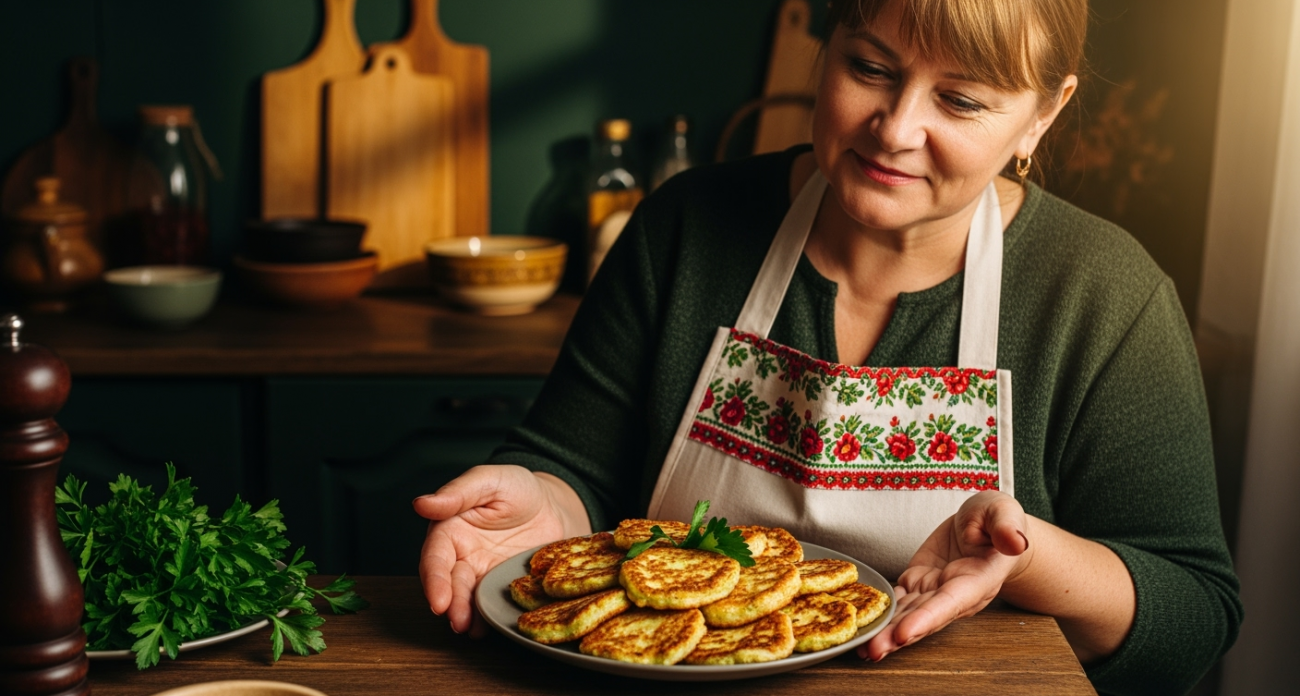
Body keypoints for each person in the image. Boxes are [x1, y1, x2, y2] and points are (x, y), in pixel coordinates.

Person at [413, 0, 1242, 693]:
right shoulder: (689, 227)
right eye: (872, 69)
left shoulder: (1104, 294)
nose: (895, 128)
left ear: (1044, 113)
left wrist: (1026, 561)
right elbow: (578, 470)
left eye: (961, 101)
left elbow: (1195, 615)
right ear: (827, 48)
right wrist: (544, 502)